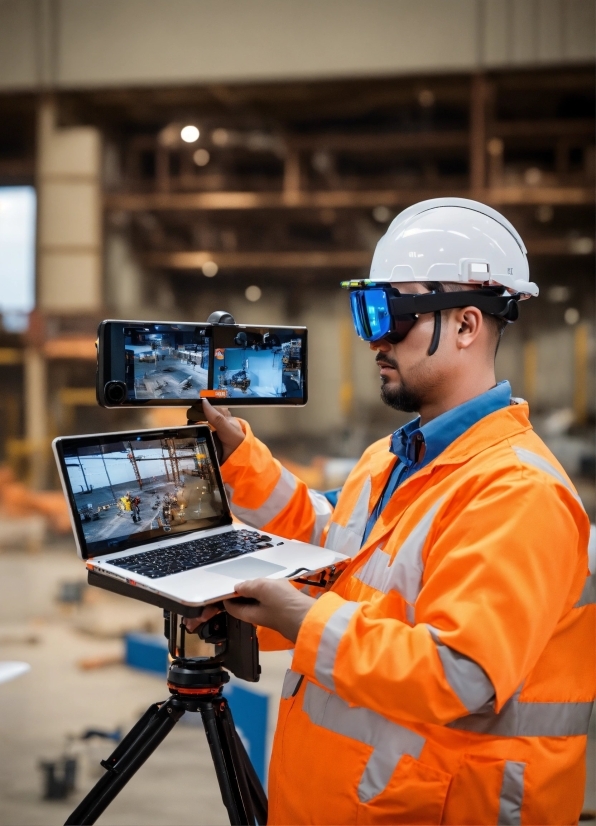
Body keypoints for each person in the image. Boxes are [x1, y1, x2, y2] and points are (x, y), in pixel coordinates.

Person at [186, 198, 594, 825]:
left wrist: (303, 619)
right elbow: (340, 552)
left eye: (391, 313)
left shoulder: (516, 491)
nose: (375, 336)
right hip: (344, 801)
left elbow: (457, 674)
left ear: (465, 325)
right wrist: (239, 456)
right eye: (364, 310)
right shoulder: (393, 456)